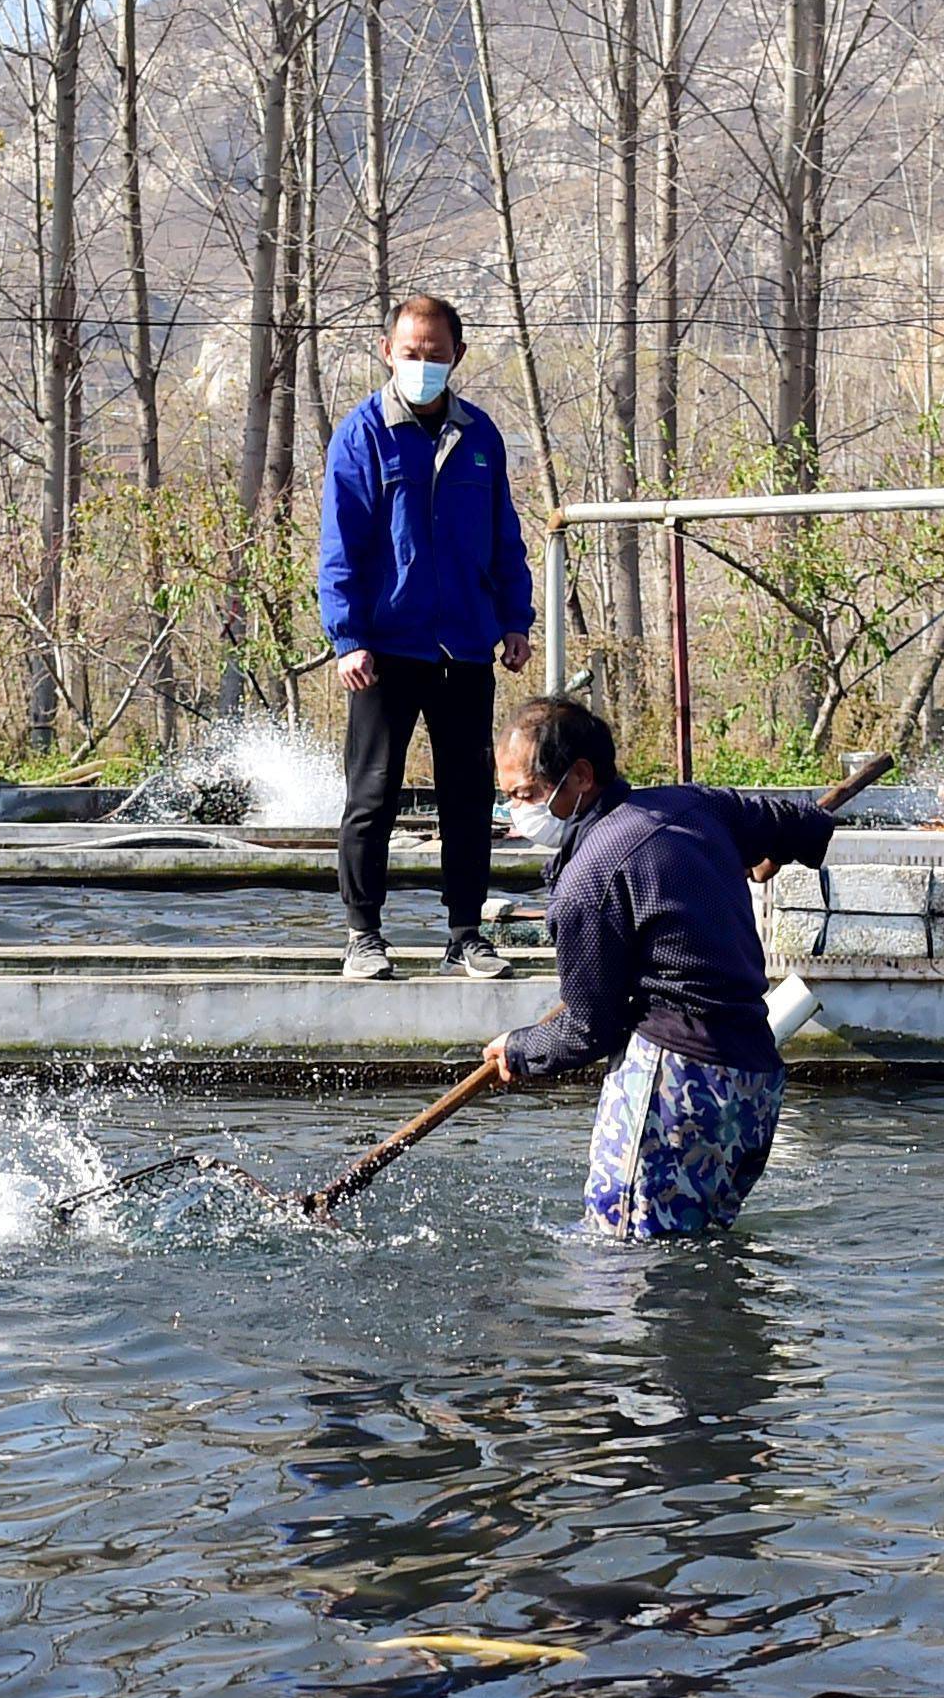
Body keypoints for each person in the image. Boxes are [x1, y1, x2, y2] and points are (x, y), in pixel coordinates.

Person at [475, 692, 844, 1242]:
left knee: (620, 1262)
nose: (517, 813)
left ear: (579, 776)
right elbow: (807, 824)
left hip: (676, 1089)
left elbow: (587, 1029)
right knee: (693, 1262)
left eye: (526, 794)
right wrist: (763, 852)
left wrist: (522, 1048)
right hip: (753, 1087)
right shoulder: (694, 807)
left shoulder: (587, 880)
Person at [317, 293, 534, 981]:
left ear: (457, 357)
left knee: (468, 798)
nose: (422, 365)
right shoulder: (363, 434)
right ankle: (363, 934)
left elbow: (505, 538)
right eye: (410, 354)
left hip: (465, 646)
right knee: (372, 795)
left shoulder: (481, 438)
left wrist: (515, 619)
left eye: (435, 355)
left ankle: (466, 934)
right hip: (384, 649)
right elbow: (341, 546)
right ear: (389, 352)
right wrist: (347, 634)